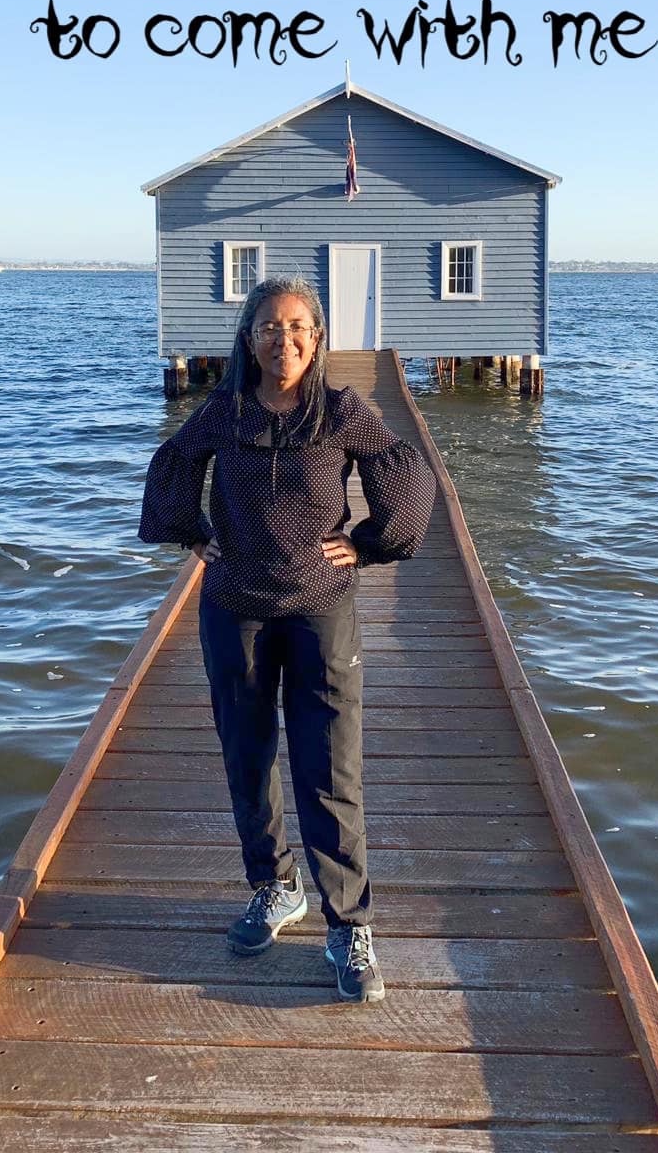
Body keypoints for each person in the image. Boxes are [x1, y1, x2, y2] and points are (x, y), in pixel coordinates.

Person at [138, 275, 436, 1002]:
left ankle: (348, 921)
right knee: (247, 754)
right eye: (270, 327)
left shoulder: (341, 411)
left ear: (319, 337)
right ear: (248, 339)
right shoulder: (226, 408)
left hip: (319, 607)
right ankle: (273, 886)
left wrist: (371, 544)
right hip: (234, 604)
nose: (285, 340)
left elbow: (405, 473)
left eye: (299, 326)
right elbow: (177, 463)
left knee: (329, 764)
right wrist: (191, 534)